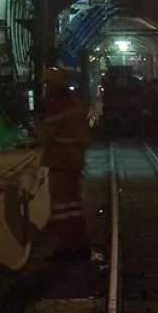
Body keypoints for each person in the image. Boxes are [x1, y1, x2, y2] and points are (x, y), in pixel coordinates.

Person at [36, 67, 91, 260]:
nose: (46, 90)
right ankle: (81, 245)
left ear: (54, 88)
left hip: (60, 163)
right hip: (75, 163)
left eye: (48, 86)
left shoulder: (57, 109)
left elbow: (43, 137)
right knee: (74, 206)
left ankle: (65, 248)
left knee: (60, 208)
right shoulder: (77, 105)